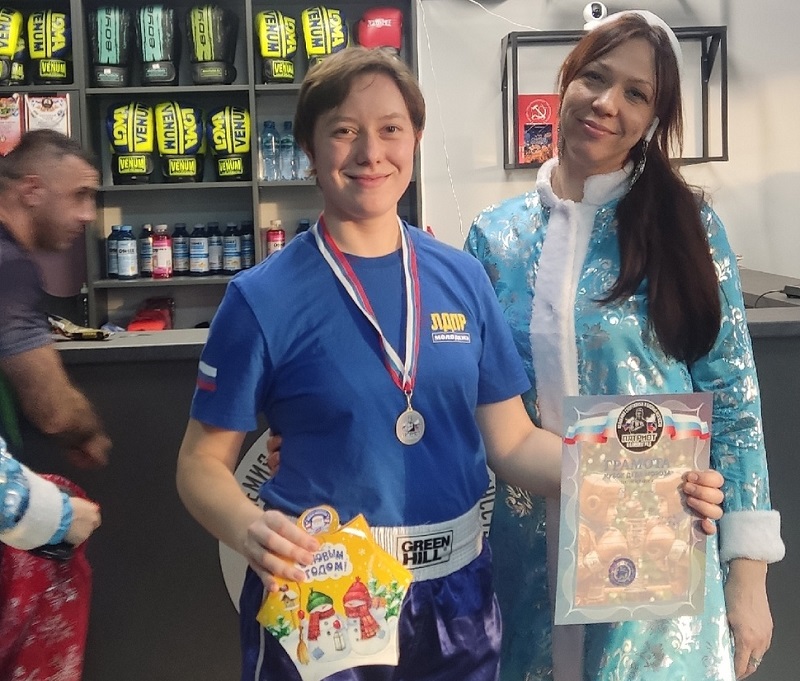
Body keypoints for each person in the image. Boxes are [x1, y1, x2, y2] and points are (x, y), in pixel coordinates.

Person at [176, 46, 724, 681]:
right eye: (344, 131)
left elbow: (513, 443)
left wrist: (647, 475)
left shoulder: (462, 277)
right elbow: (200, 464)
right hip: (325, 596)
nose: (370, 152)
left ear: (415, 139)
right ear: (309, 148)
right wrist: (247, 526)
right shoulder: (260, 298)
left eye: (390, 129)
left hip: (458, 598)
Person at [465, 10, 785, 681]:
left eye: (636, 94)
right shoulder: (496, 238)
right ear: (566, 81)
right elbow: (466, 398)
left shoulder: (687, 227)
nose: (607, 103)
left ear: (653, 118)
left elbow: (733, 403)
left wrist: (748, 573)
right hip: (527, 560)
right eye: (595, 77)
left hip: (658, 563)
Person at [0, 129, 106, 679]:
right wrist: (88, 432)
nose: (88, 214)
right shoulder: (8, 265)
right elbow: (53, 408)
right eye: (79, 195)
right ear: (31, 189)